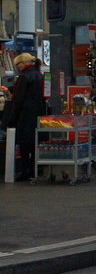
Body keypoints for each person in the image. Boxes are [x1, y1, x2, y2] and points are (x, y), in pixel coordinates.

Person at [3, 52, 45, 180]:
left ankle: (25, 171)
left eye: (17, 64)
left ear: (23, 63)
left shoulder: (25, 77)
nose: (17, 67)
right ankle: (34, 169)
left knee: (24, 145)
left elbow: (18, 99)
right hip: (37, 114)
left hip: (25, 116)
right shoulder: (39, 75)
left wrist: (11, 119)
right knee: (34, 144)